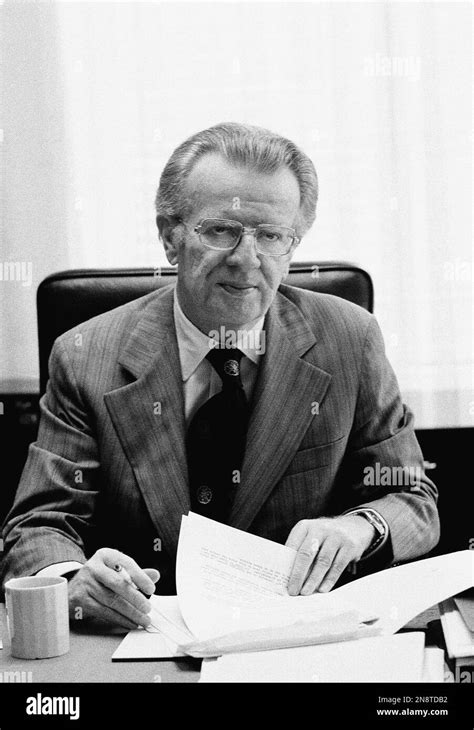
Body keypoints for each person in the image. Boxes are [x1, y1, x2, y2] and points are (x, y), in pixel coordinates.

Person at [0, 123, 439, 631]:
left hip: (302, 644)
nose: (246, 260)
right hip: (144, 640)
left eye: (271, 236)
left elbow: (413, 498)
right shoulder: (85, 357)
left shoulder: (350, 340)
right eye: (221, 231)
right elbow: (40, 523)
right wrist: (72, 579)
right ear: (170, 236)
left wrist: (360, 528)